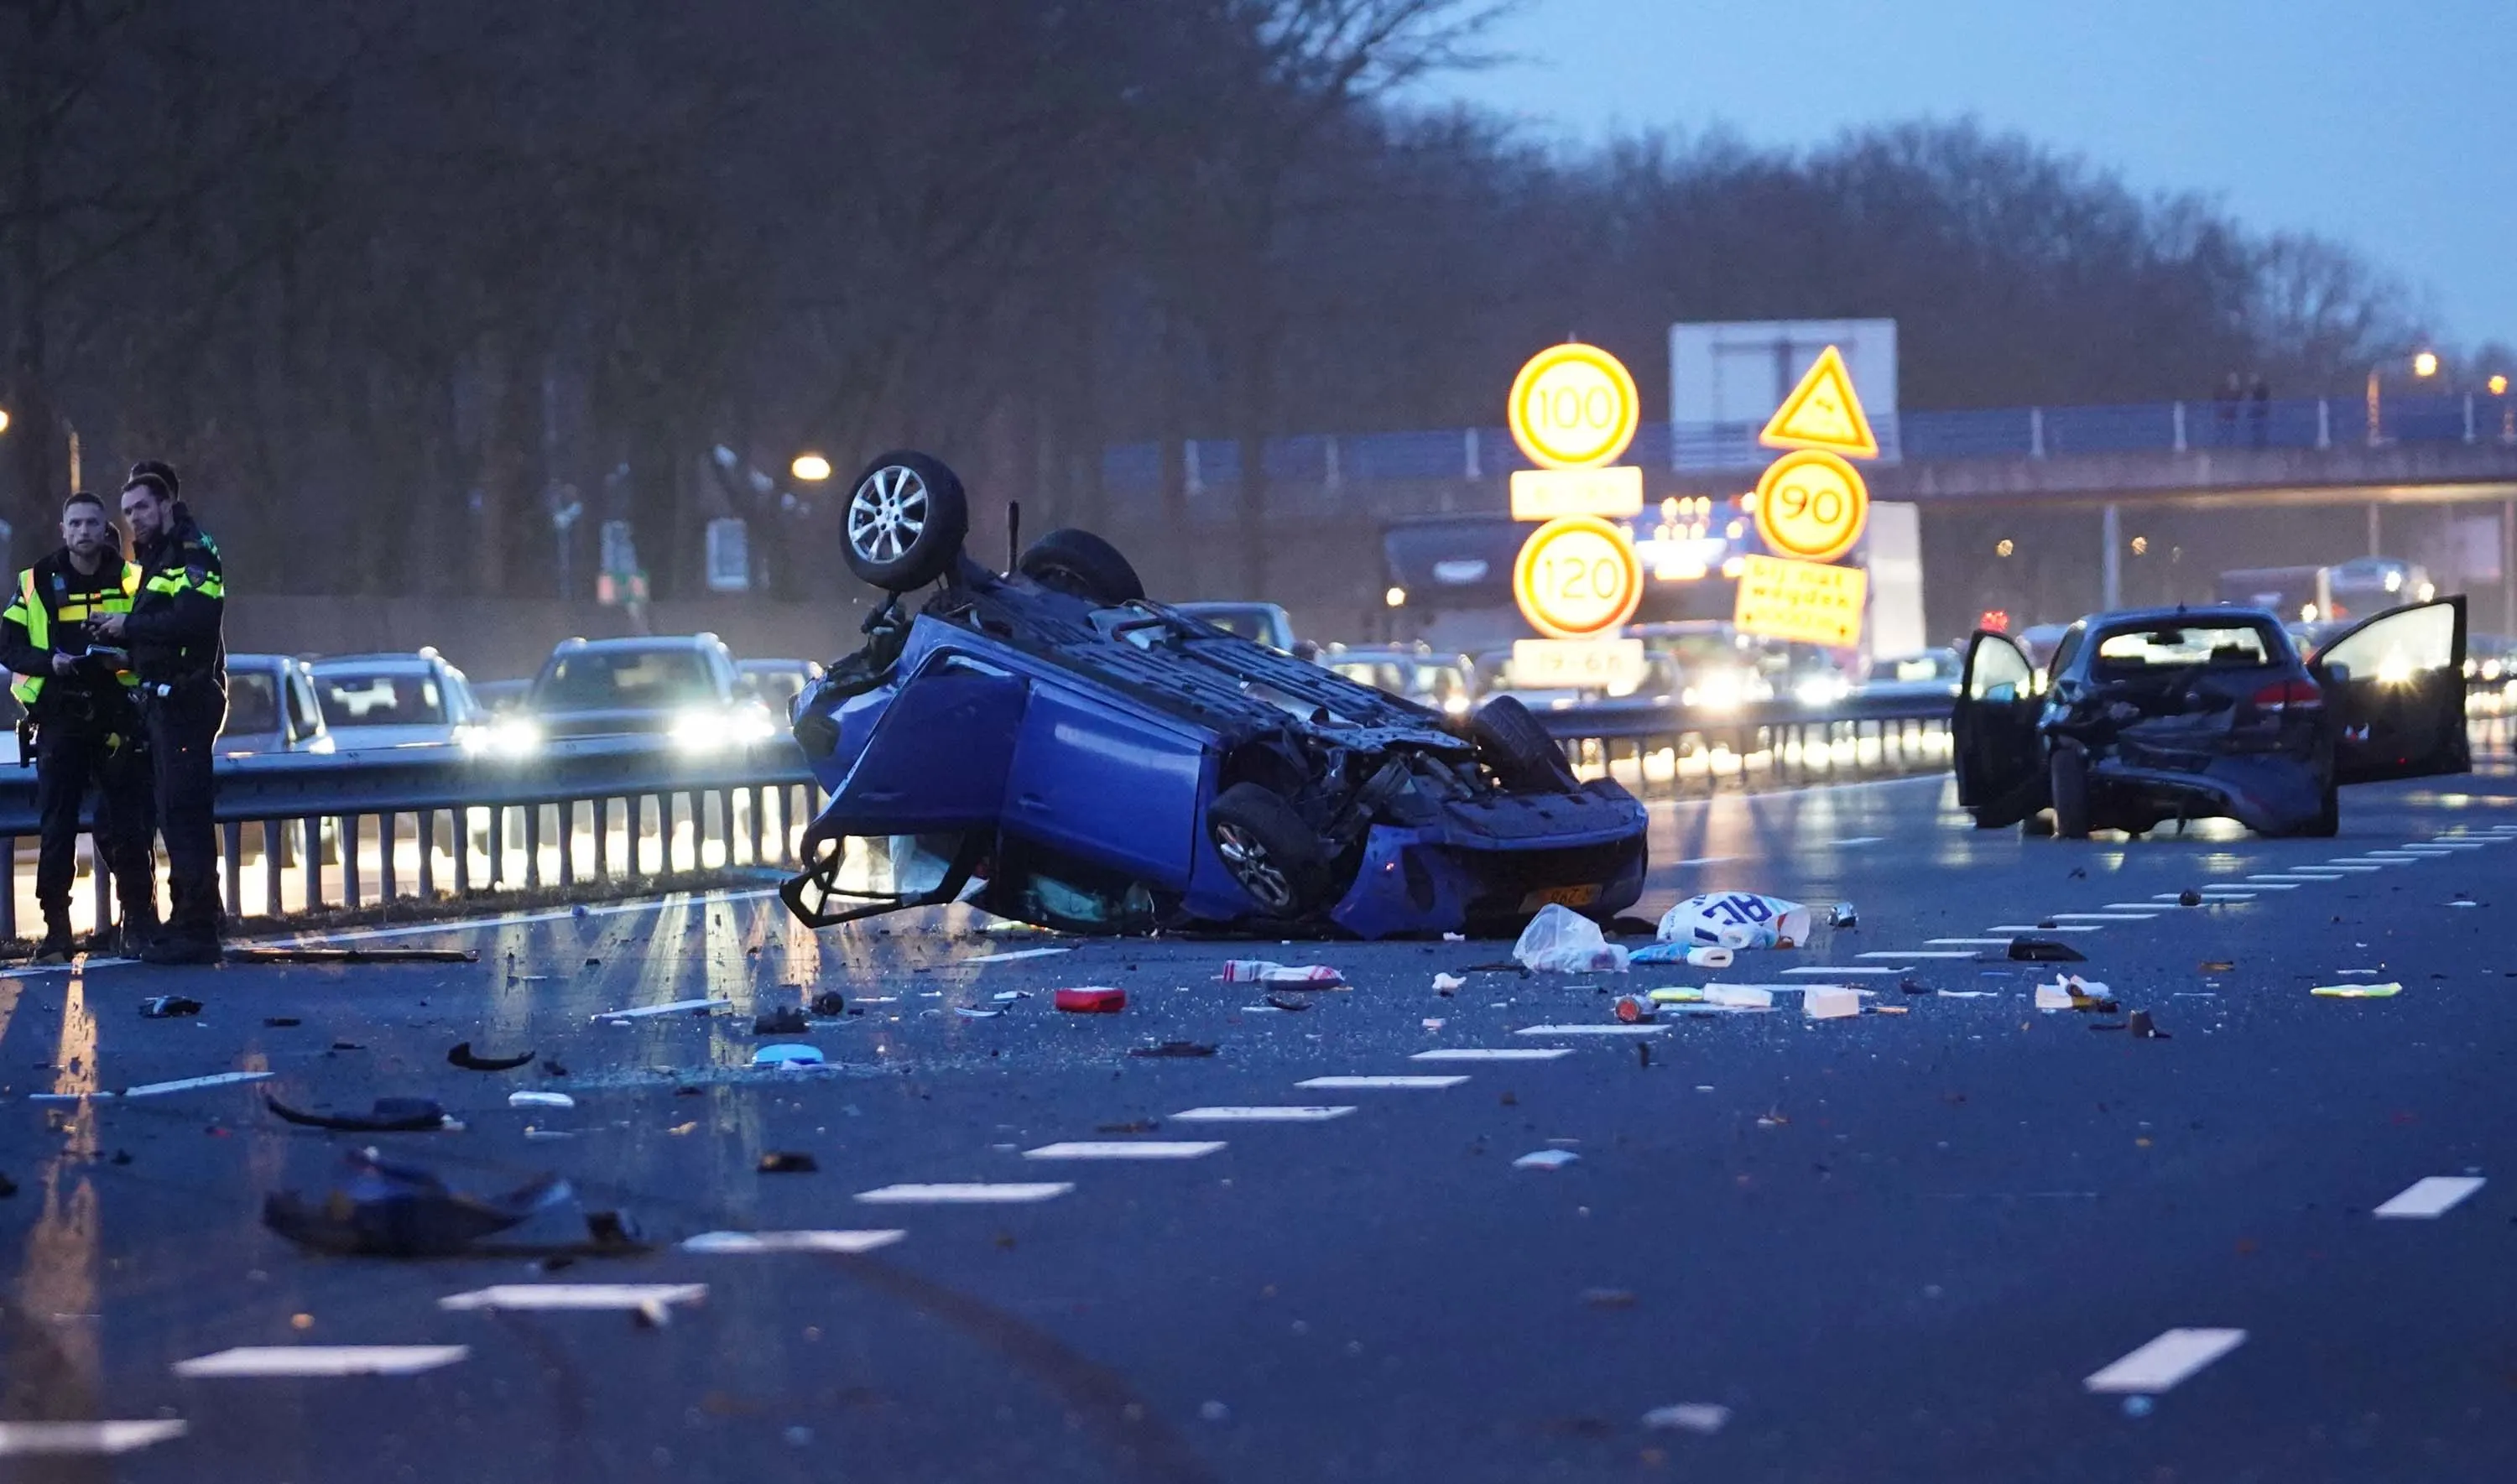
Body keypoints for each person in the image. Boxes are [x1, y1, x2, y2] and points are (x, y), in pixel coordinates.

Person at [0, 493, 157, 961]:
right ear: (63, 530)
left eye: (92, 523)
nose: (84, 531)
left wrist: (124, 655)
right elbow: (8, 646)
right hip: (60, 717)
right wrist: (52, 663)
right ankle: (56, 932)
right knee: (57, 828)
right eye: (76, 524)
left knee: (129, 826)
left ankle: (139, 924)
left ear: (104, 527)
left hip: (117, 717)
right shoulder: (35, 581)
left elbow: (155, 640)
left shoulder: (132, 579)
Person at [91, 461, 226, 965]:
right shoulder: (158, 555)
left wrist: (128, 625)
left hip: (186, 699)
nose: (134, 519)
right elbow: (164, 630)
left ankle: (198, 928)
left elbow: (194, 620)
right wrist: (124, 647)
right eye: (127, 512)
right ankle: (189, 918)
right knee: (173, 812)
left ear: (166, 504)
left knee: (184, 814)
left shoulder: (192, 550)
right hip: (164, 699)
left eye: (142, 508)